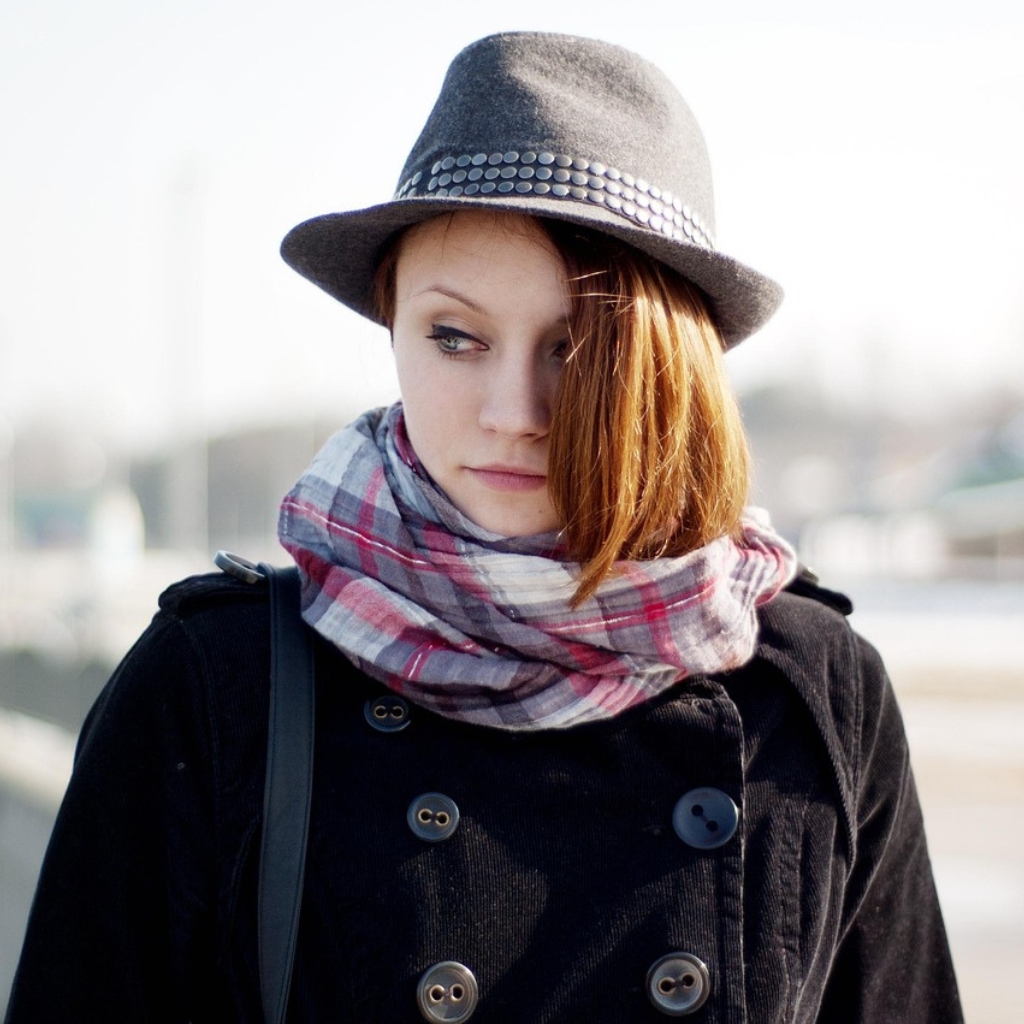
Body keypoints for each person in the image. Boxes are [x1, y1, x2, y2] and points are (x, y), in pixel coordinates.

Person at [7, 31, 962, 1023]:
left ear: (668, 366)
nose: (515, 409)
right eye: (454, 335)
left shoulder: (811, 691)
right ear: (392, 329)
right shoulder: (221, 683)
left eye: (578, 345)